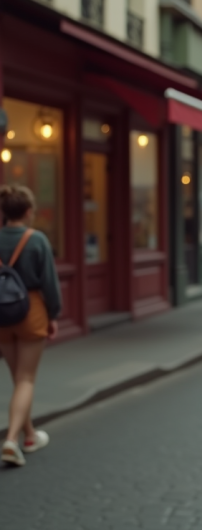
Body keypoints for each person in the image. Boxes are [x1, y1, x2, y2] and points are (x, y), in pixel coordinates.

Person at [0, 186, 61, 467]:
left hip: (2, 314)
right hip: (31, 310)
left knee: (18, 379)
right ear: (28, 211)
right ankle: (11, 440)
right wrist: (53, 315)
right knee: (26, 380)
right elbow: (49, 283)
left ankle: (29, 435)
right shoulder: (36, 240)